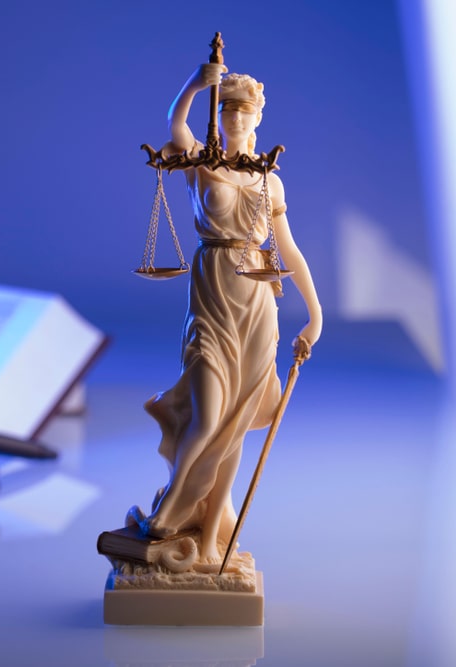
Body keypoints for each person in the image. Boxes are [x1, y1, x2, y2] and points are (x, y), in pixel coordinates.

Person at [131, 63, 323, 566]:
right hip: (213, 290)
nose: (236, 116)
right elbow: (175, 125)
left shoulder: (268, 181)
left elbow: (290, 251)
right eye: (228, 107)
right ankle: (169, 515)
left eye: (245, 109)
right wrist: (197, 83)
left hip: (257, 301)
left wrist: (315, 315)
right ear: (220, 114)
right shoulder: (201, 162)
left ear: (258, 117)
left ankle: (214, 534)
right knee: (210, 414)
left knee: (236, 423)